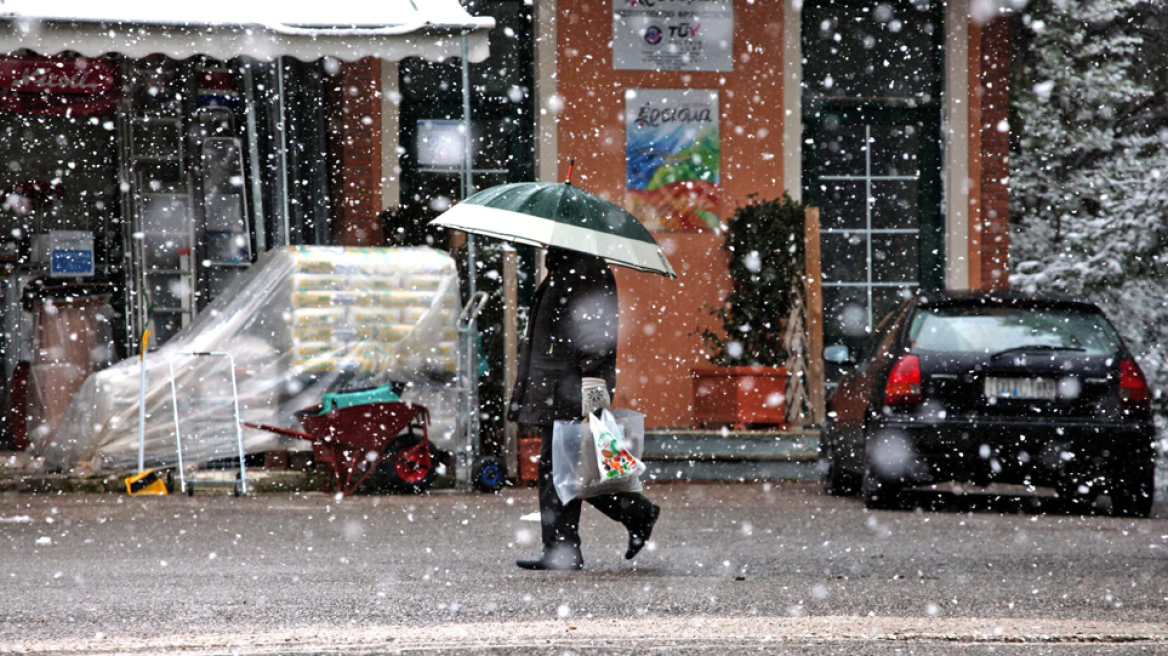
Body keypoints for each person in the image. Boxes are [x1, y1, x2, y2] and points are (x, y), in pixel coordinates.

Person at [509, 247, 660, 571]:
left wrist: (592, 377)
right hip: (559, 382)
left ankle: (573, 543)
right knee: (564, 469)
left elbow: (595, 330)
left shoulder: (585, 270)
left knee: (569, 469)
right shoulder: (565, 267)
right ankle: (566, 546)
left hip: (572, 384)